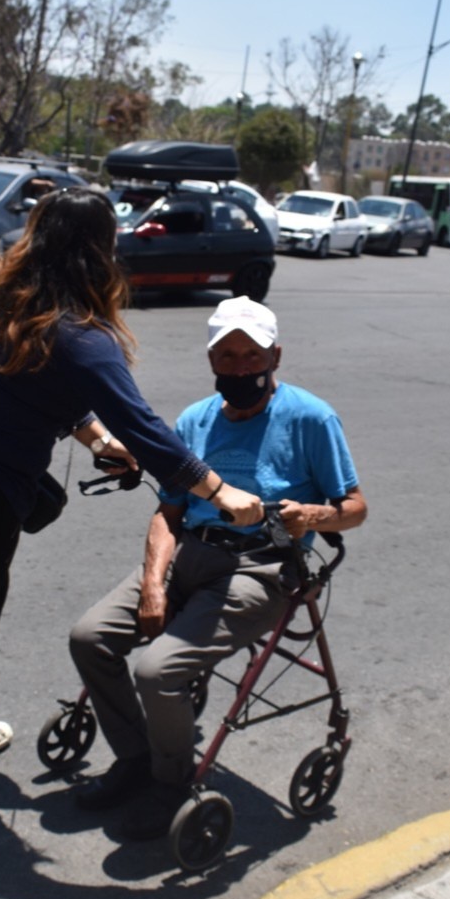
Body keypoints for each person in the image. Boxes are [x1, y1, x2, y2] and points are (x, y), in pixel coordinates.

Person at [0, 188, 262, 813]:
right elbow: (149, 430)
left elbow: (51, 391)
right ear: (102, 252)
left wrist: (97, 440)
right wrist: (218, 489)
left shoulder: (2, 303)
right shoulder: (83, 335)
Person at [69, 295, 368, 840]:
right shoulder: (195, 419)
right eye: (226, 356)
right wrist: (153, 587)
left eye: (251, 355)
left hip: (259, 568)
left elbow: (355, 508)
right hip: (189, 555)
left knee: (157, 672)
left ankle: (170, 782)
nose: (239, 367)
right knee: (89, 637)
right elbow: (169, 511)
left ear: (275, 355)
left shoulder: (310, 417)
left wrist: (313, 514)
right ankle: (136, 758)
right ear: (211, 361)